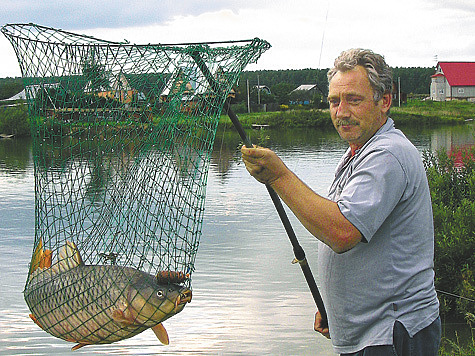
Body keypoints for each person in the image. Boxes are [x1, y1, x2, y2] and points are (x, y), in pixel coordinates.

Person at [241, 49, 441, 355]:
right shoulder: (359, 153)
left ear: (384, 101)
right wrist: (336, 308)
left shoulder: (386, 154)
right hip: (367, 331)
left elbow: (342, 232)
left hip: (392, 332)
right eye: (334, 101)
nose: (341, 111)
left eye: (354, 99)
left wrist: (279, 175)